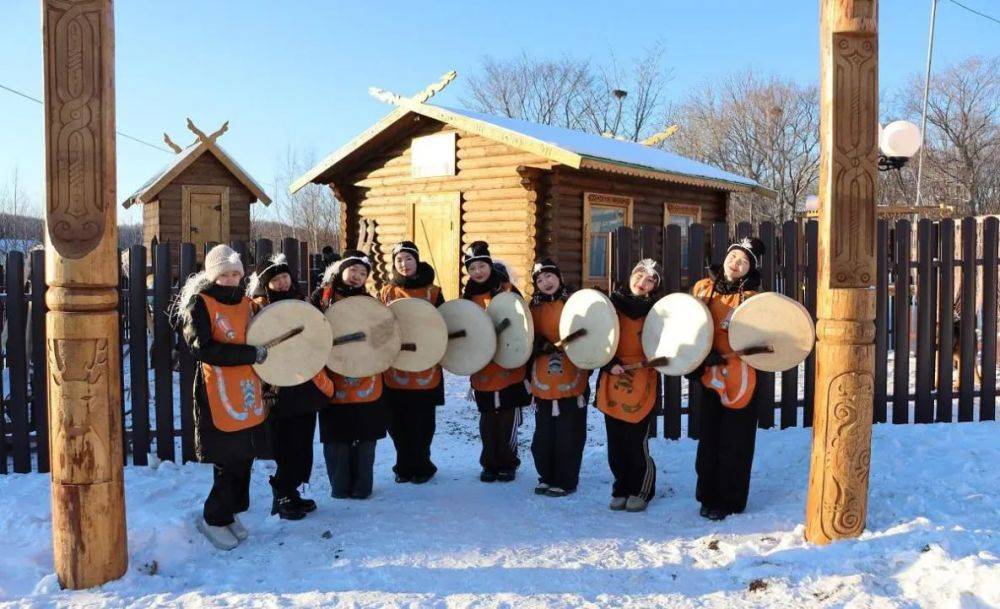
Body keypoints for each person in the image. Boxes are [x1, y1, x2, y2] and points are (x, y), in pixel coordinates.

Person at [179, 244, 268, 550]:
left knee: (244, 456)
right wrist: (248, 354)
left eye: (235, 274)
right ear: (213, 275)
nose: (231, 279)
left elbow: (261, 335)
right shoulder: (199, 303)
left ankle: (229, 512)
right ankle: (213, 517)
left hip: (245, 390)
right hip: (216, 390)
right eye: (225, 274)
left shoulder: (246, 303)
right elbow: (201, 347)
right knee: (227, 458)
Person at [248, 253, 335, 520]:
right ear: (266, 284)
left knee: (303, 444)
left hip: (306, 384)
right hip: (278, 388)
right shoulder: (258, 309)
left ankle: (293, 491)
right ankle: (282, 493)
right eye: (276, 279)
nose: (283, 283)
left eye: (285, 276)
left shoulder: (304, 303)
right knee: (285, 445)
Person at [688, 237, 766, 521]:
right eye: (734, 256)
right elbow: (688, 324)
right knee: (709, 436)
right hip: (708, 371)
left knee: (735, 439)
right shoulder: (702, 288)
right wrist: (698, 356)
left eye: (743, 261)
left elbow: (762, 338)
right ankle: (707, 494)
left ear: (749, 269)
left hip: (740, 374)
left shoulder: (755, 300)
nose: (736, 263)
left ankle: (729, 498)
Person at [311, 249, 386, 499]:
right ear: (342, 269)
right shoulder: (321, 299)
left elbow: (384, 336)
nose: (356, 276)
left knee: (364, 435)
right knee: (337, 434)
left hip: (366, 373)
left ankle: (362, 484)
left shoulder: (372, 303)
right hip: (332, 374)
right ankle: (340, 484)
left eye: (363, 273)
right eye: (353, 270)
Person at [595, 259, 662, 512]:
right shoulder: (610, 305)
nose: (642, 282)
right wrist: (608, 363)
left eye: (650, 280)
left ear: (654, 287)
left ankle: (641, 488)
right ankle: (621, 486)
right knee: (616, 441)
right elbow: (597, 339)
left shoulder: (658, 311)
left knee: (636, 441)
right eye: (639, 275)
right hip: (613, 374)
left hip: (643, 375)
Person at [462, 241, 532, 482]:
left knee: (506, 418)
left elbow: (521, 322)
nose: (478, 272)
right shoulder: (468, 297)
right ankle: (489, 463)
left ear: (490, 265)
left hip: (508, 364)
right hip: (483, 367)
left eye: (482, 265)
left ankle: (508, 462)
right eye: (472, 268)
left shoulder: (507, 290)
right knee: (487, 419)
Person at [378, 241, 446, 484]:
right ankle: (403, 465)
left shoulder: (433, 292)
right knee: (397, 422)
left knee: (423, 422)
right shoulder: (386, 292)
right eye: (399, 260)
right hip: (395, 367)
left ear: (416, 261)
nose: (404, 264)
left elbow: (442, 326)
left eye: (408, 259)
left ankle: (422, 464)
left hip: (426, 366)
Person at [527, 258, 590, 497]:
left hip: (572, 372)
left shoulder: (574, 304)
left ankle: (566, 479)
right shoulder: (532, 308)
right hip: (543, 375)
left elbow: (591, 333)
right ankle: (546, 475)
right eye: (539, 279)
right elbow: (523, 337)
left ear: (559, 277)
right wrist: (537, 345)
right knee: (543, 435)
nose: (545, 282)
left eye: (549, 276)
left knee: (569, 433)